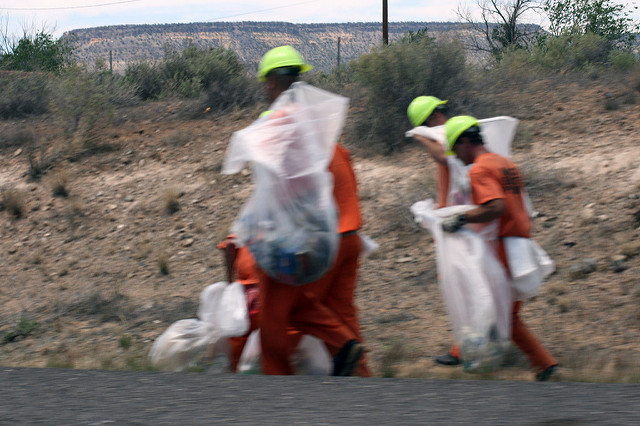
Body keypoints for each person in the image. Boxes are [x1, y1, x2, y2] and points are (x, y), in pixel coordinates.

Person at [253, 45, 369, 376]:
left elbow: (291, 189)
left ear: (273, 82)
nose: (265, 89)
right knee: (338, 313)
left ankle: (277, 389)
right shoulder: (319, 129)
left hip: (315, 238)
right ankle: (366, 383)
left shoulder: (282, 127)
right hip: (349, 236)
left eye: (266, 83)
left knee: (281, 313)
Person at [439, 115, 558, 381]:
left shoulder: (480, 169)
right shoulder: (506, 163)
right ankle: (532, 364)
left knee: (500, 312)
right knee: (503, 312)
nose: (457, 157)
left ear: (466, 142)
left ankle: (540, 365)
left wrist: (461, 218)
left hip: (505, 247)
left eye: (456, 149)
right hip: (521, 242)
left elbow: (495, 207)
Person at [408, 96, 465, 366]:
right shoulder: (459, 134)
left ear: (428, 121)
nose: (444, 113)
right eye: (441, 109)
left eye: (442, 110)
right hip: (458, 222)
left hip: (459, 226)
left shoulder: (446, 138)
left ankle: (465, 348)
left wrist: (421, 136)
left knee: (460, 286)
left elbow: (443, 158)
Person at [407, 96, 450, 209]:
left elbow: (444, 157)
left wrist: (423, 138)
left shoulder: (452, 137)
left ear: (436, 116)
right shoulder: (441, 140)